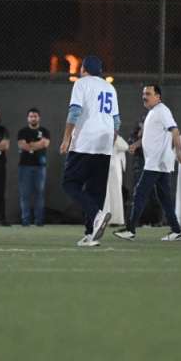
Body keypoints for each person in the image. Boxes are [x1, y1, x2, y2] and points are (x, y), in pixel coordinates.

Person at [113, 84, 181, 241]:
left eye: (148, 94)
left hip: (156, 162)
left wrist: (180, 154)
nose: (144, 96)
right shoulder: (153, 112)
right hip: (158, 162)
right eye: (143, 93)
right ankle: (176, 231)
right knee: (164, 198)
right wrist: (136, 145)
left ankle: (130, 229)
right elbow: (151, 136)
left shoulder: (162, 111)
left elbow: (175, 131)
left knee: (140, 193)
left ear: (158, 97)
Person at [60, 55, 119, 247]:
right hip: (105, 142)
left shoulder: (81, 83)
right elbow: (116, 120)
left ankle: (96, 215)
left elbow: (75, 111)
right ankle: (90, 234)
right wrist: (110, 140)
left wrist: (66, 138)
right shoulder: (110, 87)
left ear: (83, 69)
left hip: (85, 141)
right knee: (96, 190)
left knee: (70, 183)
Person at [17, 108, 50, 226]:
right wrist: (37, 144)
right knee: (25, 194)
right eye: (31, 116)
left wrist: (30, 144)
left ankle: (39, 221)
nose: (33, 118)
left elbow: (45, 144)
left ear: (39, 118)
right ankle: (25, 221)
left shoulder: (44, 131)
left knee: (39, 194)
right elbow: (22, 146)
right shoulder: (22, 132)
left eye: (35, 116)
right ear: (28, 118)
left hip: (40, 167)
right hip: (24, 166)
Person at [103, 134, 129, 226]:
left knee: (114, 193)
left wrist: (116, 138)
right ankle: (107, 218)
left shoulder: (116, 138)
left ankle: (114, 219)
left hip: (113, 167)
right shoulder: (106, 137)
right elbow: (126, 147)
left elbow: (125, 147)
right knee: (108, 193)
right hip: (109, 167)